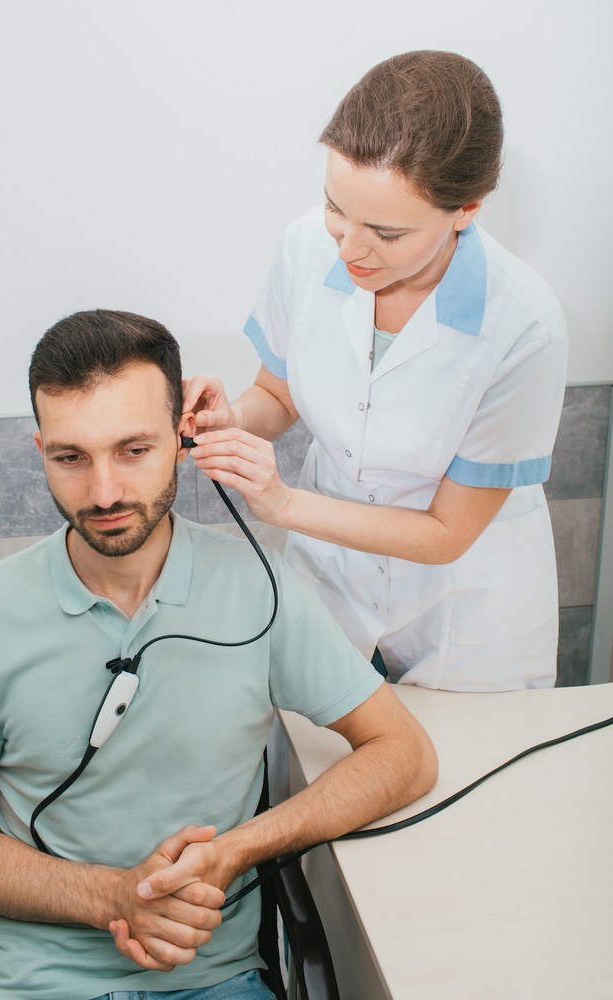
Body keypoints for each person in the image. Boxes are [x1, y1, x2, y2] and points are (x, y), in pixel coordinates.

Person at [0, 309, 437, 1000]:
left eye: (133, 450)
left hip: (212, 977)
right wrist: (110, 896)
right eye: (70, 457)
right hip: (25, 980)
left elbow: (404, 754)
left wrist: (238, 849)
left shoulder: (258, 588)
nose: (103, 493)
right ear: (40, 448)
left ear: (184, 441)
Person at [183, 50, 568, 692]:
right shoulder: (307, 245)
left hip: (467, 603)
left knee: (467, 777)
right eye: (337, 207)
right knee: (316, 759)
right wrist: (233, 417)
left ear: (466, 209)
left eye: (386, 234)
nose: (350, 247)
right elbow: (277, 395)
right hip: (331, 573)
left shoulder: (525, 325)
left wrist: (282, 504)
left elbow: (447, 533)